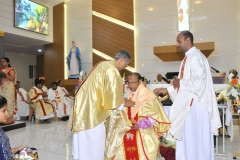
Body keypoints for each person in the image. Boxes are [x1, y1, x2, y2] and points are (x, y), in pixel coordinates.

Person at [153, 31, 221, 160]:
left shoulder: (196, 57)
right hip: (189, 105)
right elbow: (183, 85)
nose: (177, 44)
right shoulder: (188, 58)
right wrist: (167, 89)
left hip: (197, 106)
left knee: (198, 139)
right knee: (188, 138)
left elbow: (200, 82)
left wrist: (180, 82)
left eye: (179, 41)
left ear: (187, 40)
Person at [69, 50, 135, 160]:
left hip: (84, 107)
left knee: (83, 138)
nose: (125, 67)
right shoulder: (112, 70)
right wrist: (123, 103)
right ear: (121, 59)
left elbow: (103, 91)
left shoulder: (102, 64)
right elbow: (112, 96)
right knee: (94, 140)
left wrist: (120, 100)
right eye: (126, 64)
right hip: (93, 113)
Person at [105, 72, 170, 160]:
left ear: (139, 82)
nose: (130, 85)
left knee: (143, 142)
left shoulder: (149, 95)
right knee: (118, 141)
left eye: (133, 82)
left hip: (143, 128)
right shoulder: (124, 95)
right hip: (126, 127)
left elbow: (156, 115)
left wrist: (140, 125)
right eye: (129, 82)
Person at [0, 57, 17, 124]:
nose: (2, 63)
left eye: (4, 61)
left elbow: (12, 78)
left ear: (8, 62)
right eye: (1, 61)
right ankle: (2, 118)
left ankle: (9, 119)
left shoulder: (11, 69)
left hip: (9, 87)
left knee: (9, 102)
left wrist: (4, 74)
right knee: (2, 102)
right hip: (2, 87)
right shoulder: (1, 70)